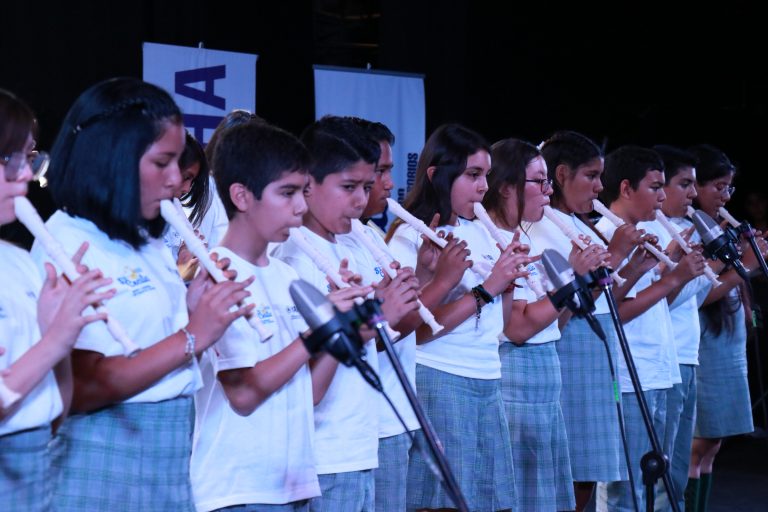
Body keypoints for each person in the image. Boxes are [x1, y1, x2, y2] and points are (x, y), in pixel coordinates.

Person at [29, 77, 253, 511]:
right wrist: (193, 337)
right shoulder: (67, 241)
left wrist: (195, 308)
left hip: (167, 452)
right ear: (114, 158)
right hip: (103, 458)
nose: (176, 181)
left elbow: (152, 345)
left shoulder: (144, 240)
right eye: (162, 163)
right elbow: (82, 383)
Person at [190, 121, 365, 511]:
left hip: (291, 483)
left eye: (303, 192)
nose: (301, 207)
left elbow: (310, 393)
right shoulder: (218, 275)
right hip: (238, 489)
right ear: (241, 196)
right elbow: (245, 393)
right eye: (286, 193)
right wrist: (316, 334)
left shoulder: (285, 275)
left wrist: (343, 328)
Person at [274, 115, 420, 512]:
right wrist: (378, 316)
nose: (361, 200)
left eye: (367, 187)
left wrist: (408, 294)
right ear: (308, 184)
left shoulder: (357, 243)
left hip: (360, 443)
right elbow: (307, 373)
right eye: (349, 187)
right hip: (325, 451)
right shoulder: (292, 259)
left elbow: (397, 327)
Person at [387, 123, 529, 512]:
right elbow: (415, 332)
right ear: (436, 174)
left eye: (485, 175)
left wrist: (510, 278)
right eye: (472, 175)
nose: (484, 187)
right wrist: (486, 288)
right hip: (440, 376)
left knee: (488, 502)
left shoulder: (481, 230)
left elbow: (499, 326)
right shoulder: (410, 236)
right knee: (441, 504)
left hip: (486, 375)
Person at [0, 88, 116, 512]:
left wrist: (60, 334)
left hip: (37, 468)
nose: (26, 175)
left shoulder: (19, 263)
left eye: (30, 157)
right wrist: (53, 341)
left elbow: (55, 411)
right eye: (10, 159)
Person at [527, 131, 641, 510]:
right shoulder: (544, 226)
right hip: (571, 348)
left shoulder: (576, 223)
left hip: (594, 347)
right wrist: (617, 254)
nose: (598, 186)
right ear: (561, 175)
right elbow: (567, 305)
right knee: (574, 474)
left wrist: (628, 263)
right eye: (590, 176)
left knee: (588, 473)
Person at [594, 145, 706, 512]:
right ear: (626, 189)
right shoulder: (605, 233)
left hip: (658, 370)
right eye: (655, 187)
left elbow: (645, 298)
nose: (662, 197)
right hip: (630, 375)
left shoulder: (643, 231)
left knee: (657, 480)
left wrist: (664, 268)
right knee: (626, 491)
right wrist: (672, 278)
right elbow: (614, 311)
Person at [481, 138, 577, 511]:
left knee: (545, 495)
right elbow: (518, 329)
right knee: (522, 497)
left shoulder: (520, 235)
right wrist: (570, 284)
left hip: (544, 371)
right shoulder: (494, 239)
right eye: (540, 181)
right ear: (506, 186)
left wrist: (579, 287)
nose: (549, 190)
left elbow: (556, 324)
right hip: (516, 376)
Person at [337, 118, 421, 512]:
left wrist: (433, 277)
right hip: (343, 437)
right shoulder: (303, 250)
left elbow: (404, 324)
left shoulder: (367, 235)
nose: (387, 184)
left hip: (382, 419)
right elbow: (339, 346)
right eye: (379, 172)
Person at [684, 144, 768, 512]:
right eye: (717, 185)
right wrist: (744, 267)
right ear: (694, 186)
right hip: (705, 341)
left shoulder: (722, 226)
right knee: (698, 443)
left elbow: (737, 281)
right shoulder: (687, 230)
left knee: (713, 445)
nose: (725, 195)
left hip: (729, 339)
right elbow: (699, 295)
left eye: (729, 187)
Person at [164, 131, 211, 279]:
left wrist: (186, 258)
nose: (186, 188)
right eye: (185, 177)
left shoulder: (173, 203)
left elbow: (183, 269)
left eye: (191, 181)